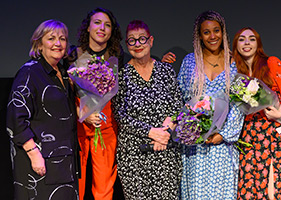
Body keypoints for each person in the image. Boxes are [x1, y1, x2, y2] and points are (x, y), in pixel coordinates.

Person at [6, 19, 79, 199]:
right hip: (40, 164)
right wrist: (33, 153)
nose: (58, 43)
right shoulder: (30, 72)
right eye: (51, 38)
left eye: (62, 39)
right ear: (39, 43)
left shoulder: (62, 73)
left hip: (63, 162)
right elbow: (16, 118)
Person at [177, 10, 244, 199]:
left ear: (223, 32)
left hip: (222, 145)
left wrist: (222, 134)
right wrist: (190, 128)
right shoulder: (190, 62)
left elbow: (239, 104)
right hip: (195, 145)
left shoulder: (233, 62)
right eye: (206, 32)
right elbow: (181, 99)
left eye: (216, 30)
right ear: (199, 35)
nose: (212, 36)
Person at [113, 20, 183, 199]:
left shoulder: (165, 70)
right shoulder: (121, 75)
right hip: (134, 156)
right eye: (132, 40)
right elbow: (119, 114)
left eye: (142, 39)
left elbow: (177, 104)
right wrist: (152, 132)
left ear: (151, 41)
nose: (137, 44)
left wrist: (165, 132)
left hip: (165, 151)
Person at [65, 7, 123, 200]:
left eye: (107, 25)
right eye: (97, 23)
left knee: (104, 184)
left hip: (105, 125)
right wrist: (82, 114)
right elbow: (62, 94)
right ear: (88, 27)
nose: (102, 28)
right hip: (79, 124)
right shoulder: (72, 55)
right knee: (75, 180)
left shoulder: (117, 56)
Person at [233, 27, 281, 199]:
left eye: (252, 39)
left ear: (258, 43)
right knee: (250, 183)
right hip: (248, 133)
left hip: (272, 131)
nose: (247, 42)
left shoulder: (271, 63)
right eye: (242, 39)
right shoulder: (235, 71)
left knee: (272, 184)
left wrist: (279, 113)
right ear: (235, 44)